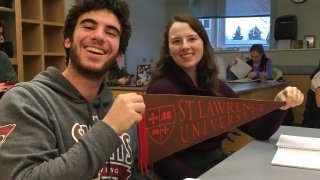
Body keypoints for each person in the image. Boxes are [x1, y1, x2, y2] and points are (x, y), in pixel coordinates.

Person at [0, 0, 150, 179]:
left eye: (110, 32)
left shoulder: (122, 110)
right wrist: (109, 128)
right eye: (88, 26)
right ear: (68, 40)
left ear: (118, 55)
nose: (99, 36)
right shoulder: (25, 101)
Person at [146, 13, 304, 179]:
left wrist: (280, 103)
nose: (185, 46)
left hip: (217, 167)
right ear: (168, 49)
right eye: (176, 41)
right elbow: (161, 160)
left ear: (203, 43)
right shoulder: (160, 89)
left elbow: (260, 130)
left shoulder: (216, 86)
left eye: (192, 38)